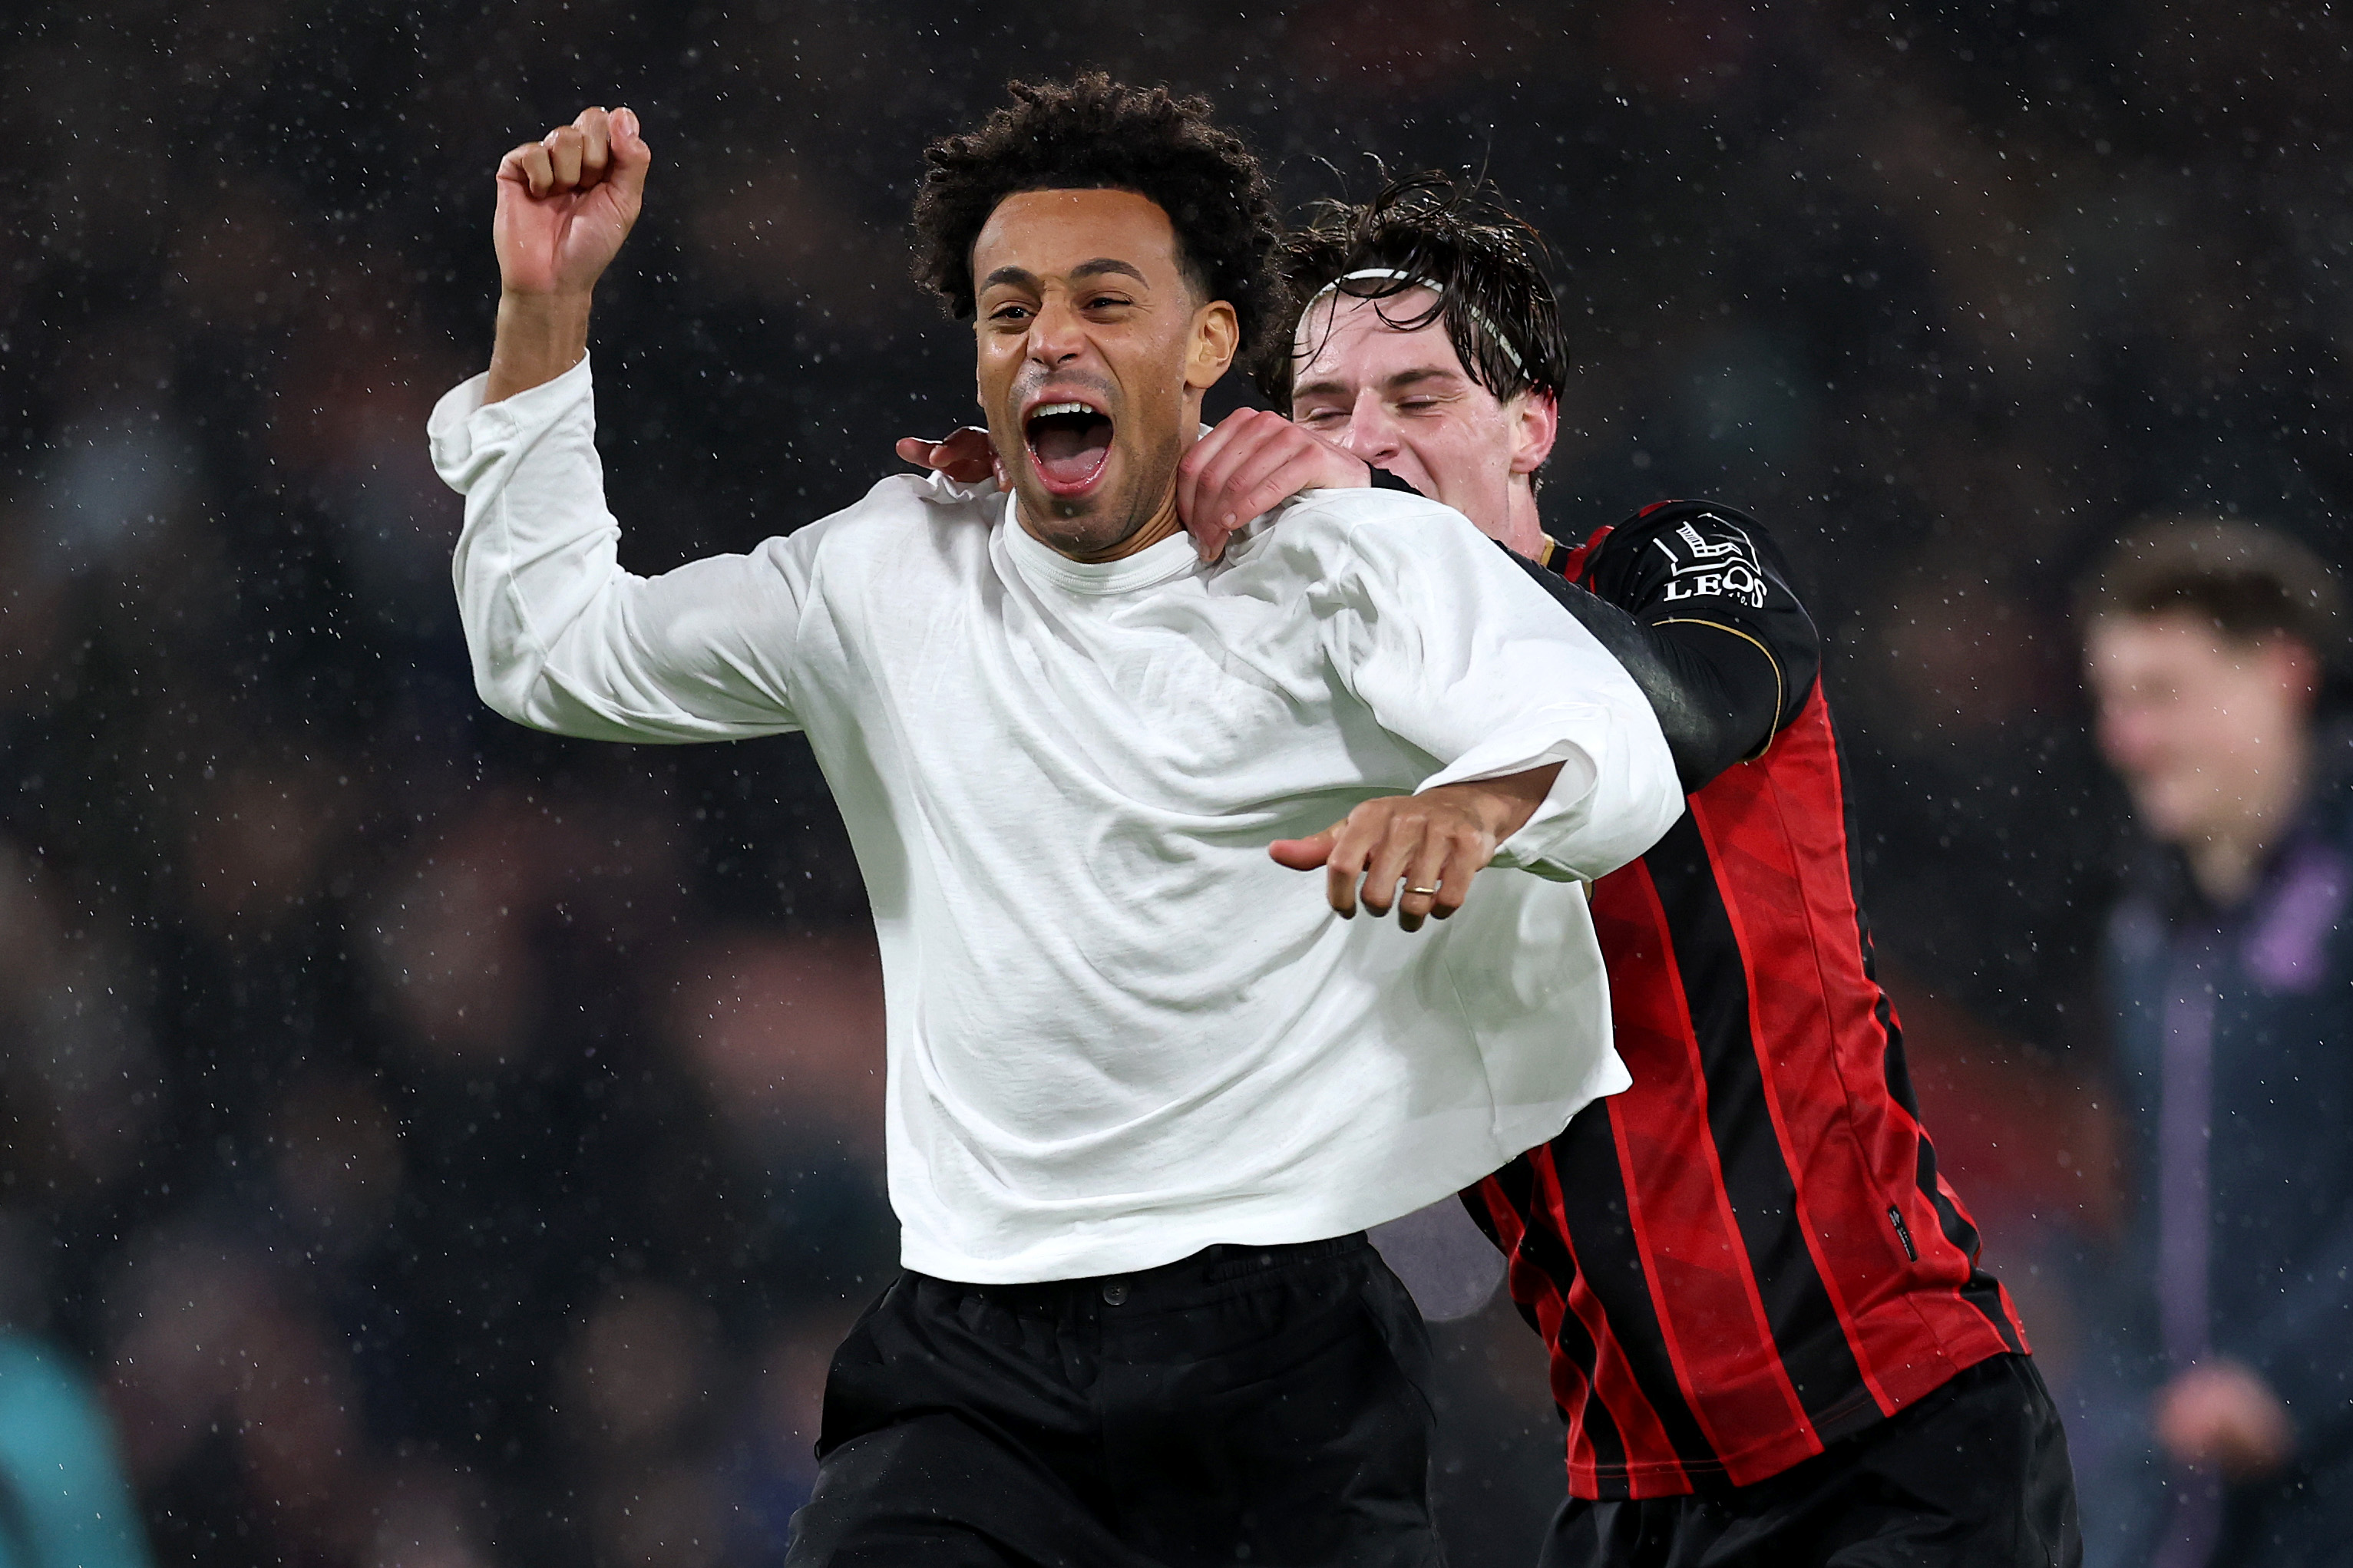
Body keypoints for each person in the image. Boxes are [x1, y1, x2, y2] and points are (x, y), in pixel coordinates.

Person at [429, 81, 1682, 1567]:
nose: (1051, 338)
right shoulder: (888, 572)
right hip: (976, 1358)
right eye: (1009, 305)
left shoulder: (1342, 558)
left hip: (1281, 1360)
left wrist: (1475, 802)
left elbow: (1609, 731)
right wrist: (543, 312)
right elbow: (550, 649)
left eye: (1105, 296)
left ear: (1210, 341)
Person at [967, 172, 2078, 1566]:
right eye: (1322, 413)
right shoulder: (1327, 740)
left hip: (1895, 1443)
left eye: (1418, 400)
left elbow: (1676, 715)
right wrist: (1043, 530)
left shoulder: (1674, 566)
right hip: (1627, 1491)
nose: (1362, 444)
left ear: (1529, 425)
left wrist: (1396, 544)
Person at [2074, 519, 2353, 1568]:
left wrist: (2289, 1381)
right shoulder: (2147, 932)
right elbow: (2149, 1226)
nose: (2124, 737)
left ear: (2280, 674)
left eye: (2161, 694)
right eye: (2111, 699)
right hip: (2192, 1504)